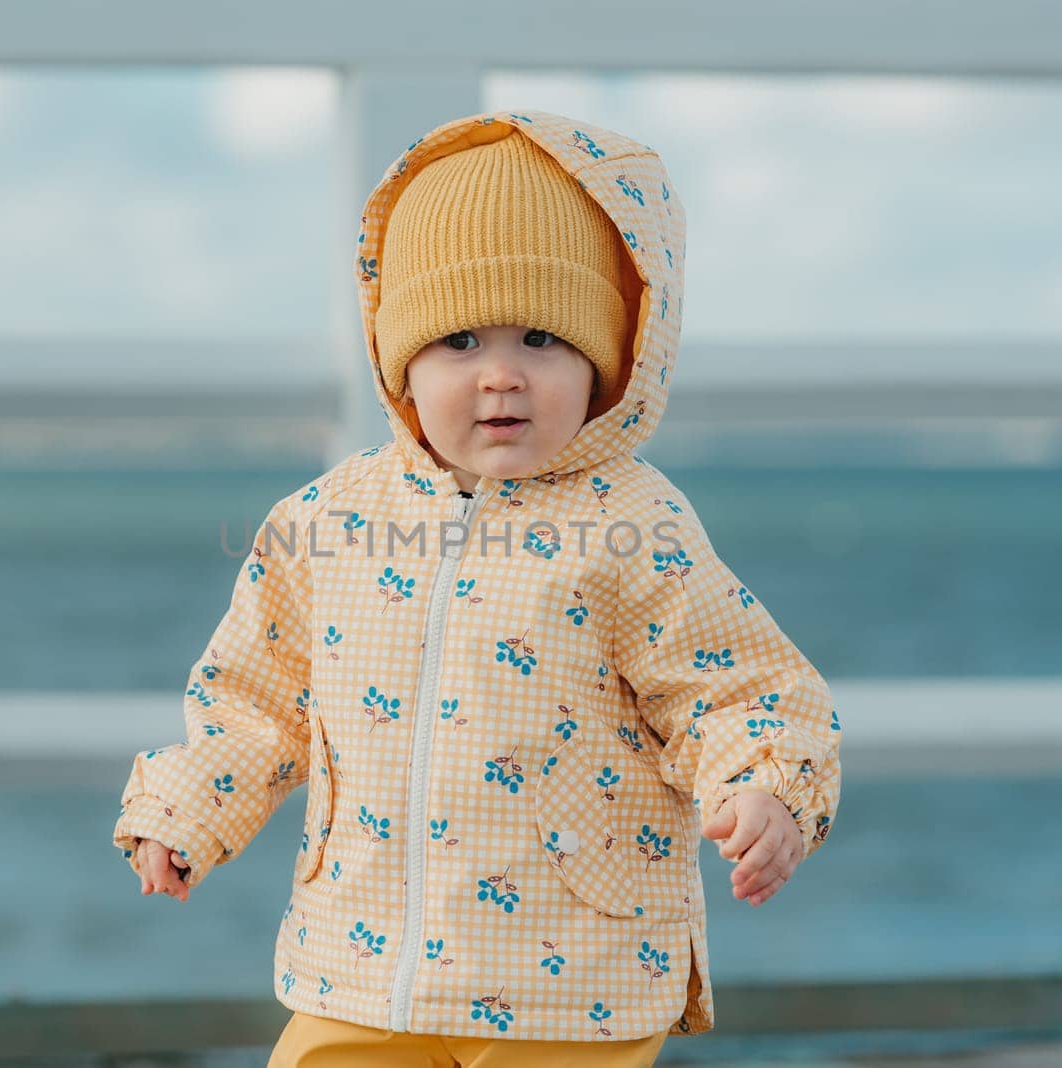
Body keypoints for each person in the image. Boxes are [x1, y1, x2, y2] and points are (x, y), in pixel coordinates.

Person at [113, 109, 842, 1066]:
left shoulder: (633, 525)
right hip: (361, 963)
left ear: (610, 356)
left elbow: (736, 686)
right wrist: (189, 810)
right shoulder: (328, 519)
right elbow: (256, 695)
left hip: (572, 974)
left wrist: (765, 789)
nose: (501, 376)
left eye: (542, 337)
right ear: (398, 358)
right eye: (459, 341)